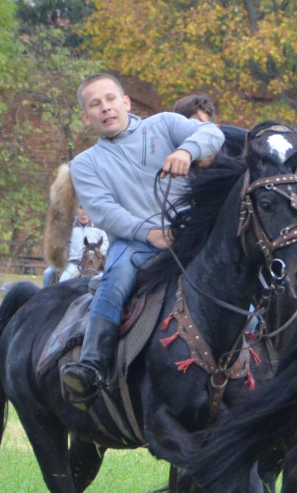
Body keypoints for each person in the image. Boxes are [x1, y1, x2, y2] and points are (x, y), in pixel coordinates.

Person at [61, 73, 224, 406]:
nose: (105, 108)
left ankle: (264, 352)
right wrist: (148, 233)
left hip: (191, 233)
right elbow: (104, 212)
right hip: (134, 242)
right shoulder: (85, 164)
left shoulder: (164, 125)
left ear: (126, 102)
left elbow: (211, 133)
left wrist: (187, 151)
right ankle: (92, 364)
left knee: (239, 268)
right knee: (115, 278)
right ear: (86, 117)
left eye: (110, 99)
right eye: (95, 104)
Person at [172, 94, 249, 161]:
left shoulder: (242, 139)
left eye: (202, 130)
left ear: (216, 129)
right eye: (187, 130)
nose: (194, 137)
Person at [60, 206, 109, 282]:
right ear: (77, 209)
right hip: (74, 263)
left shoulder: (98, 226)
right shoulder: (69, 227)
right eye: (81, 208)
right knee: (62, 281)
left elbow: (106, 243)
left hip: (94, 264)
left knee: (107, 282)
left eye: (86, 207)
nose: (84, 211)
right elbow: (64, 243)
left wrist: (98, 251)